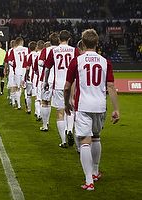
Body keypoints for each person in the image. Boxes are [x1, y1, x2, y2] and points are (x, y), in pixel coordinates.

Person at [64, 29, 120, 190]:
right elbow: (110, 86)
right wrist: (116, 109)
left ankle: (89, 180)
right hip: (100, 106)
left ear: (81, 43)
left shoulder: (77, 61)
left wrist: (67, 103)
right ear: (97, 43)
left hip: (83, 106)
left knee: (85, 141)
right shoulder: (105, 62)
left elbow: (67, 86)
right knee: (96, 137)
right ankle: (95, 171)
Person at [44, 30, 79, 148]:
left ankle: (64, 141)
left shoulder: (54, 50)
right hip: (72, 84)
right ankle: (70, 130)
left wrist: (45, 81)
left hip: (59, 85)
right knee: (71, 109)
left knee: (60, 112)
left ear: (59, 39)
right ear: (69, 39)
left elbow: (47, 68)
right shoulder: (74, 51)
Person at [39, 34, 59, 131]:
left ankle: (45, 124)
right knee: (62, 106)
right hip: (59, 80)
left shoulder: (46, 50)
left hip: (48, 79)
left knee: (45, 101)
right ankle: (67, 129)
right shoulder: (62, 50)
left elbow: (40, 62)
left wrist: (45, 63)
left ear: (50, 42)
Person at [8, 37, 30, 110]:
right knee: (26, 88)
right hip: (25, 71)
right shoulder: (27, 49)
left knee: (18, 87)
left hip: (17, 71)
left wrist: (14, 65)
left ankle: (19, 105)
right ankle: (28, 106)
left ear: (16, 43)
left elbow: (10, 61)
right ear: (22, 42)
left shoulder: (13, 50)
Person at [24, 41, 38, 114]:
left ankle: (29, 109)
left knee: (28, 94)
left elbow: (27, 67)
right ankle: (37, 113)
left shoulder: (28, 56)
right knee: (36, 96)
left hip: (30, 77)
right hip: (37, 78)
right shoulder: (39, 54)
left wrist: (26, 75)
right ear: (36, 47)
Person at [4, 40, 17, 106]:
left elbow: (7, 62)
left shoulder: (9, 51)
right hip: (19, 71)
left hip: (11, 71)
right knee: (18, 86)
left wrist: (5, 70)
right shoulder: (21, 51)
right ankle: (17, 99)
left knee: (11, 86)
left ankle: (12, 100)